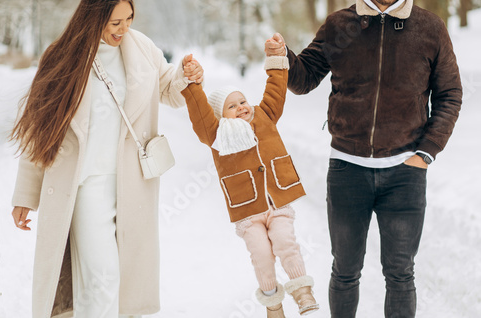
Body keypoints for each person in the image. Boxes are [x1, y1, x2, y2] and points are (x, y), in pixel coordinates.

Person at [264, 0, 462, 317]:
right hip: (347, 169)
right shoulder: (340, 24)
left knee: (400, 273)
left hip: (404, 174)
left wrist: (427, 151)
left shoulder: (430, 28)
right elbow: (305, 78)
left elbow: (449, 93)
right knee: (345, 270)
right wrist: (283, 56)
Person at [9, 1, 203, 317]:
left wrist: (185, 74)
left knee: (119, 285)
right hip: (85, 185)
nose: (123, 29)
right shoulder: (63, 56)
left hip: (132, 183)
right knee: (103, 275)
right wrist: (25, 195)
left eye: (128, 19)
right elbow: (38, 127)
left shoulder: (142, 48)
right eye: (115, 22)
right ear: (94, 17)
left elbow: (169, 90)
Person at [178, 55, 319, 318]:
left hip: (277, 201)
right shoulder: (216, 134)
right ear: (221, 115)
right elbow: (199, 112)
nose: (241, 107)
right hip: (248, 211)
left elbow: (276, 90)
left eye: (242, 101)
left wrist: (277, 59)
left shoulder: (264, 115)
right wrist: (193, 84)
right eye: (232, 106)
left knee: (285, 242)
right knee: (262, 255)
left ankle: (302, 291)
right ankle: (273, 305)